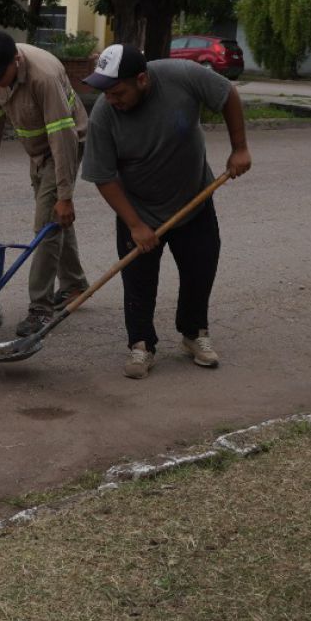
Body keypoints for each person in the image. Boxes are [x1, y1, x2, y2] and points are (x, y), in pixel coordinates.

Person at [78, 43, 251, 380]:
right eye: (106, 93)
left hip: (193, 199)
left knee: (200, 271)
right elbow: (103, 176)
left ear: (142, 79)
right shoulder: (104, 114)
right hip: (139, 207)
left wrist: (240, 148)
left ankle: (193, 333)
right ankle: (141, 344)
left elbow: (226, 93)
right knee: (139, 282)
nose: (111, 100)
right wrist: (135, 224)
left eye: (117, 92)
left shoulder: (182, 76)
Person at [0, 29, 90, 336]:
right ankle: (76, 284)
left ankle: (40, 309)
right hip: (37, 150)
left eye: (2, 75)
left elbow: (62, 137)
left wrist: (65, 193)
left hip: (64, 144)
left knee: (47, 226)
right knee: (56, 219)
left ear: (17, 60)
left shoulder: (44, 77)